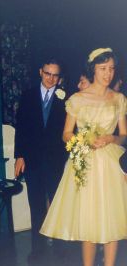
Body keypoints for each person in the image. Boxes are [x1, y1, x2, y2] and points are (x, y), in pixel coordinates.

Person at [40, 48, 127, 266]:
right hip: (85, 163)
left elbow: (124, 135)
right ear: (93, 70)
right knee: (88, 220)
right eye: (103, 69)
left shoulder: (118, 98)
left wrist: (110, 138)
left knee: (113, 220)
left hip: (110, 163)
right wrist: (85, 140)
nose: (108, 74)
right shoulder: (78, 99)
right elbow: (66, 134)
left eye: (111, 69)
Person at [14, 58, 68, 261]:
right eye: (47, 73)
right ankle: (38, 250)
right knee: (36, 205)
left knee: (58, 204)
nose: (51, 78)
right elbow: (21, 128)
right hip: (33, 160)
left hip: (56, 161)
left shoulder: (66, 98)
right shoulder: (28, 96)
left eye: (55, 75)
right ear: (40, 71)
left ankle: (62, 249)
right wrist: (19, 155)